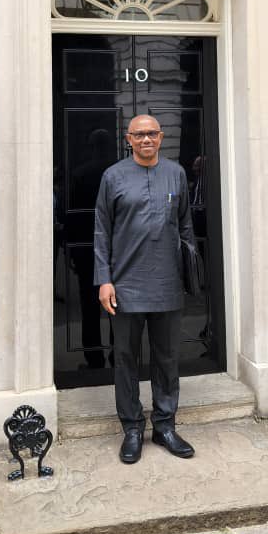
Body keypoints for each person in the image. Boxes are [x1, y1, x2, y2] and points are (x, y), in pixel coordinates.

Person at [93, 114, 196, 464]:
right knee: (126, 359)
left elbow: (185, 227)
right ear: (129, 138)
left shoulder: (176, 174)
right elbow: (101, 232)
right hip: (125, 285)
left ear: (161, 136)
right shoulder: (113, 177)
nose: (146, 139)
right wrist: (104, 279)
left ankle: (165, 425)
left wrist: (189, 275)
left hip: (167, 283)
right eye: (139, 135)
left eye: (152, 133)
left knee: (167, 358)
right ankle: (132, 429)